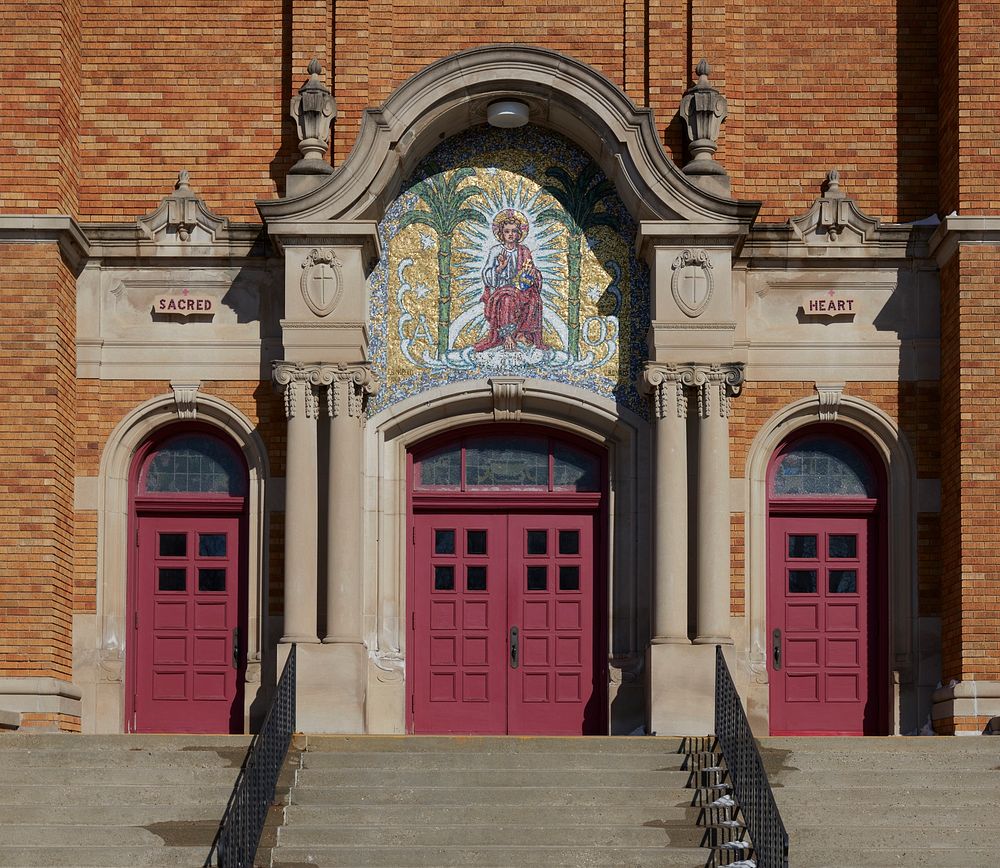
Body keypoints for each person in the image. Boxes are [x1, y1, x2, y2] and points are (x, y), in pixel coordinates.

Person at [474, 209, 545, 352]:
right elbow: (487, 275)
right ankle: (507, 336)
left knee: (534, 299)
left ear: (519, 233)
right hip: (501, 290)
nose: (511, 234)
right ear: (501, 234)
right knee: (507, 300)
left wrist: (533, 273)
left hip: (520, 289)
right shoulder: (496, 251)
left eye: (514, 231)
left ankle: (521, 333)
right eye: (507, 231)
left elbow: (532, 272)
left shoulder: (524, 251)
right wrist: (500, 268)